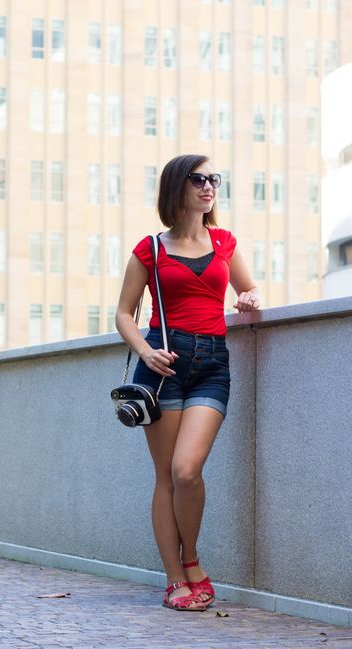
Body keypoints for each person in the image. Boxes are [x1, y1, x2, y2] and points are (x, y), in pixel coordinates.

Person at [115, 154, 261, 611]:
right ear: (177, 187)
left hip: (212, 362)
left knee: (186, 471)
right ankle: (175, 578)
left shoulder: (225, 242)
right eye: (199, 179)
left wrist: (252, 297)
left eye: (214, 179)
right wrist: (145, 351)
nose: (209, 186)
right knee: (165, 476)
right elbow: (123, 313)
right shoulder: (150, 249)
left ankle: (193, 559)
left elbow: (247, 290)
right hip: (162, 364)